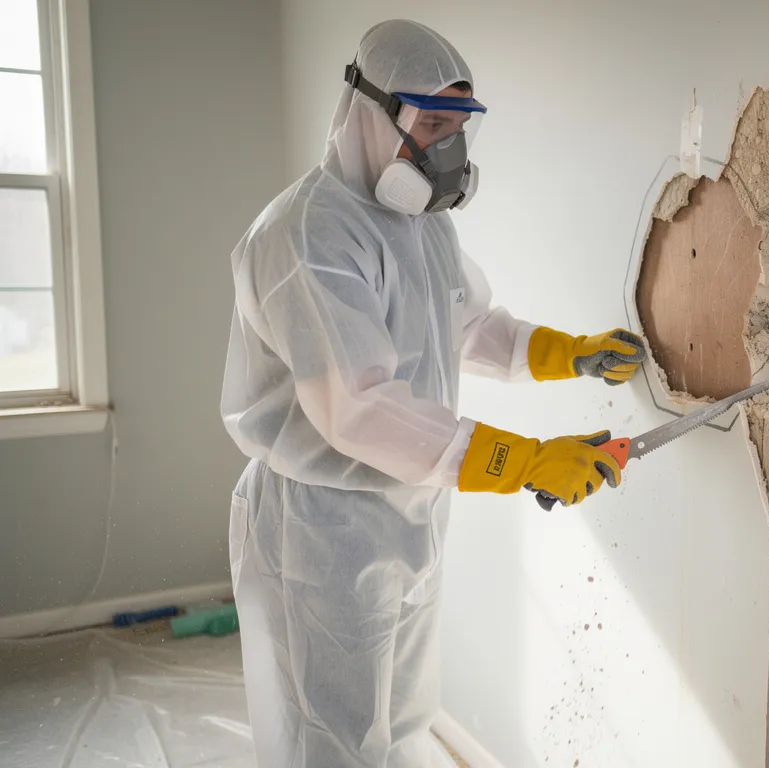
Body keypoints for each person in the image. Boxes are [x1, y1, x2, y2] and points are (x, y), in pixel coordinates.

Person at [219, 18, 647, 768]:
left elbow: (469, 327)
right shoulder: (307, 234)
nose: (445, 148)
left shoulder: (419, 226)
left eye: (458, 127)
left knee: (405, 719)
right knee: (333, 737)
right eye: (430, 124)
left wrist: (569, 355)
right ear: (367, 112)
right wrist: (525, 461)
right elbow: (356, 408)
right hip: (322, 523)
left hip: (407, 510)